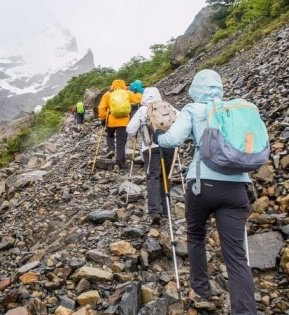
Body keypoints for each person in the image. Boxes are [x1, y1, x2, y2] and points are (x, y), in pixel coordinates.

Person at [153, 69, 257, 314]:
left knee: (196, 235)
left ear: (196, 88)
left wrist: (158, 136)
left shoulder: (194, 109)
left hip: (202, 185)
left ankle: (201, 291)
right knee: (237, 256)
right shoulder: (235, 110)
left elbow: (173, 140)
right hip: (237, 187)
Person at [127, 87, 176, 225]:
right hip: (168, 145)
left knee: (153, 177)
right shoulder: (167, 106)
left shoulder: (143, 110)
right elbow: (180, 119)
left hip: (150, 147)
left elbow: (130, 130)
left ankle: (155, 211)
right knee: (165, 176)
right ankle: (166, 210)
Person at [98, 79, 138, 169]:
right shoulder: (127, 93)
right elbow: (138, 99)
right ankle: (120, 163)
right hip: (124, 122)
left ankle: (111, 149)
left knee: (109, 135)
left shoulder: (108, 94)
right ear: (123, 85)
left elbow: (101, 108)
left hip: (111, 121)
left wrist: (103, 119)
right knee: (121, 143)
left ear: (113, 86)